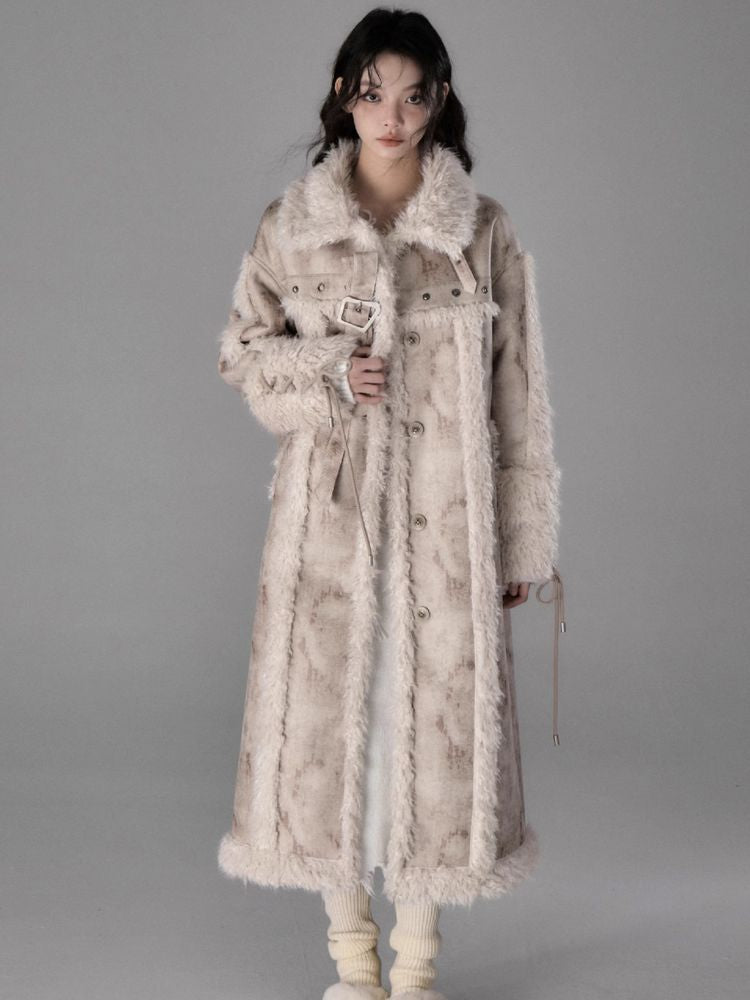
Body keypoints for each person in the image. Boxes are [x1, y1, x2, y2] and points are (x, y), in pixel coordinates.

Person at [215, 9, 566, 999]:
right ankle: (352, 962)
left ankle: (415, 967)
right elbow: (242, 354)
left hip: (446, 534)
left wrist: (520, 541)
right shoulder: (293, 227)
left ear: (440, 102)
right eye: (373, 93)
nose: (392, 115)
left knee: (434, 737)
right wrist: (329, 371)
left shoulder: (480, 233)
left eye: (414, 96)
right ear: (343, 95)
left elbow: (519, 393)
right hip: (327, 533)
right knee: (332, 735)